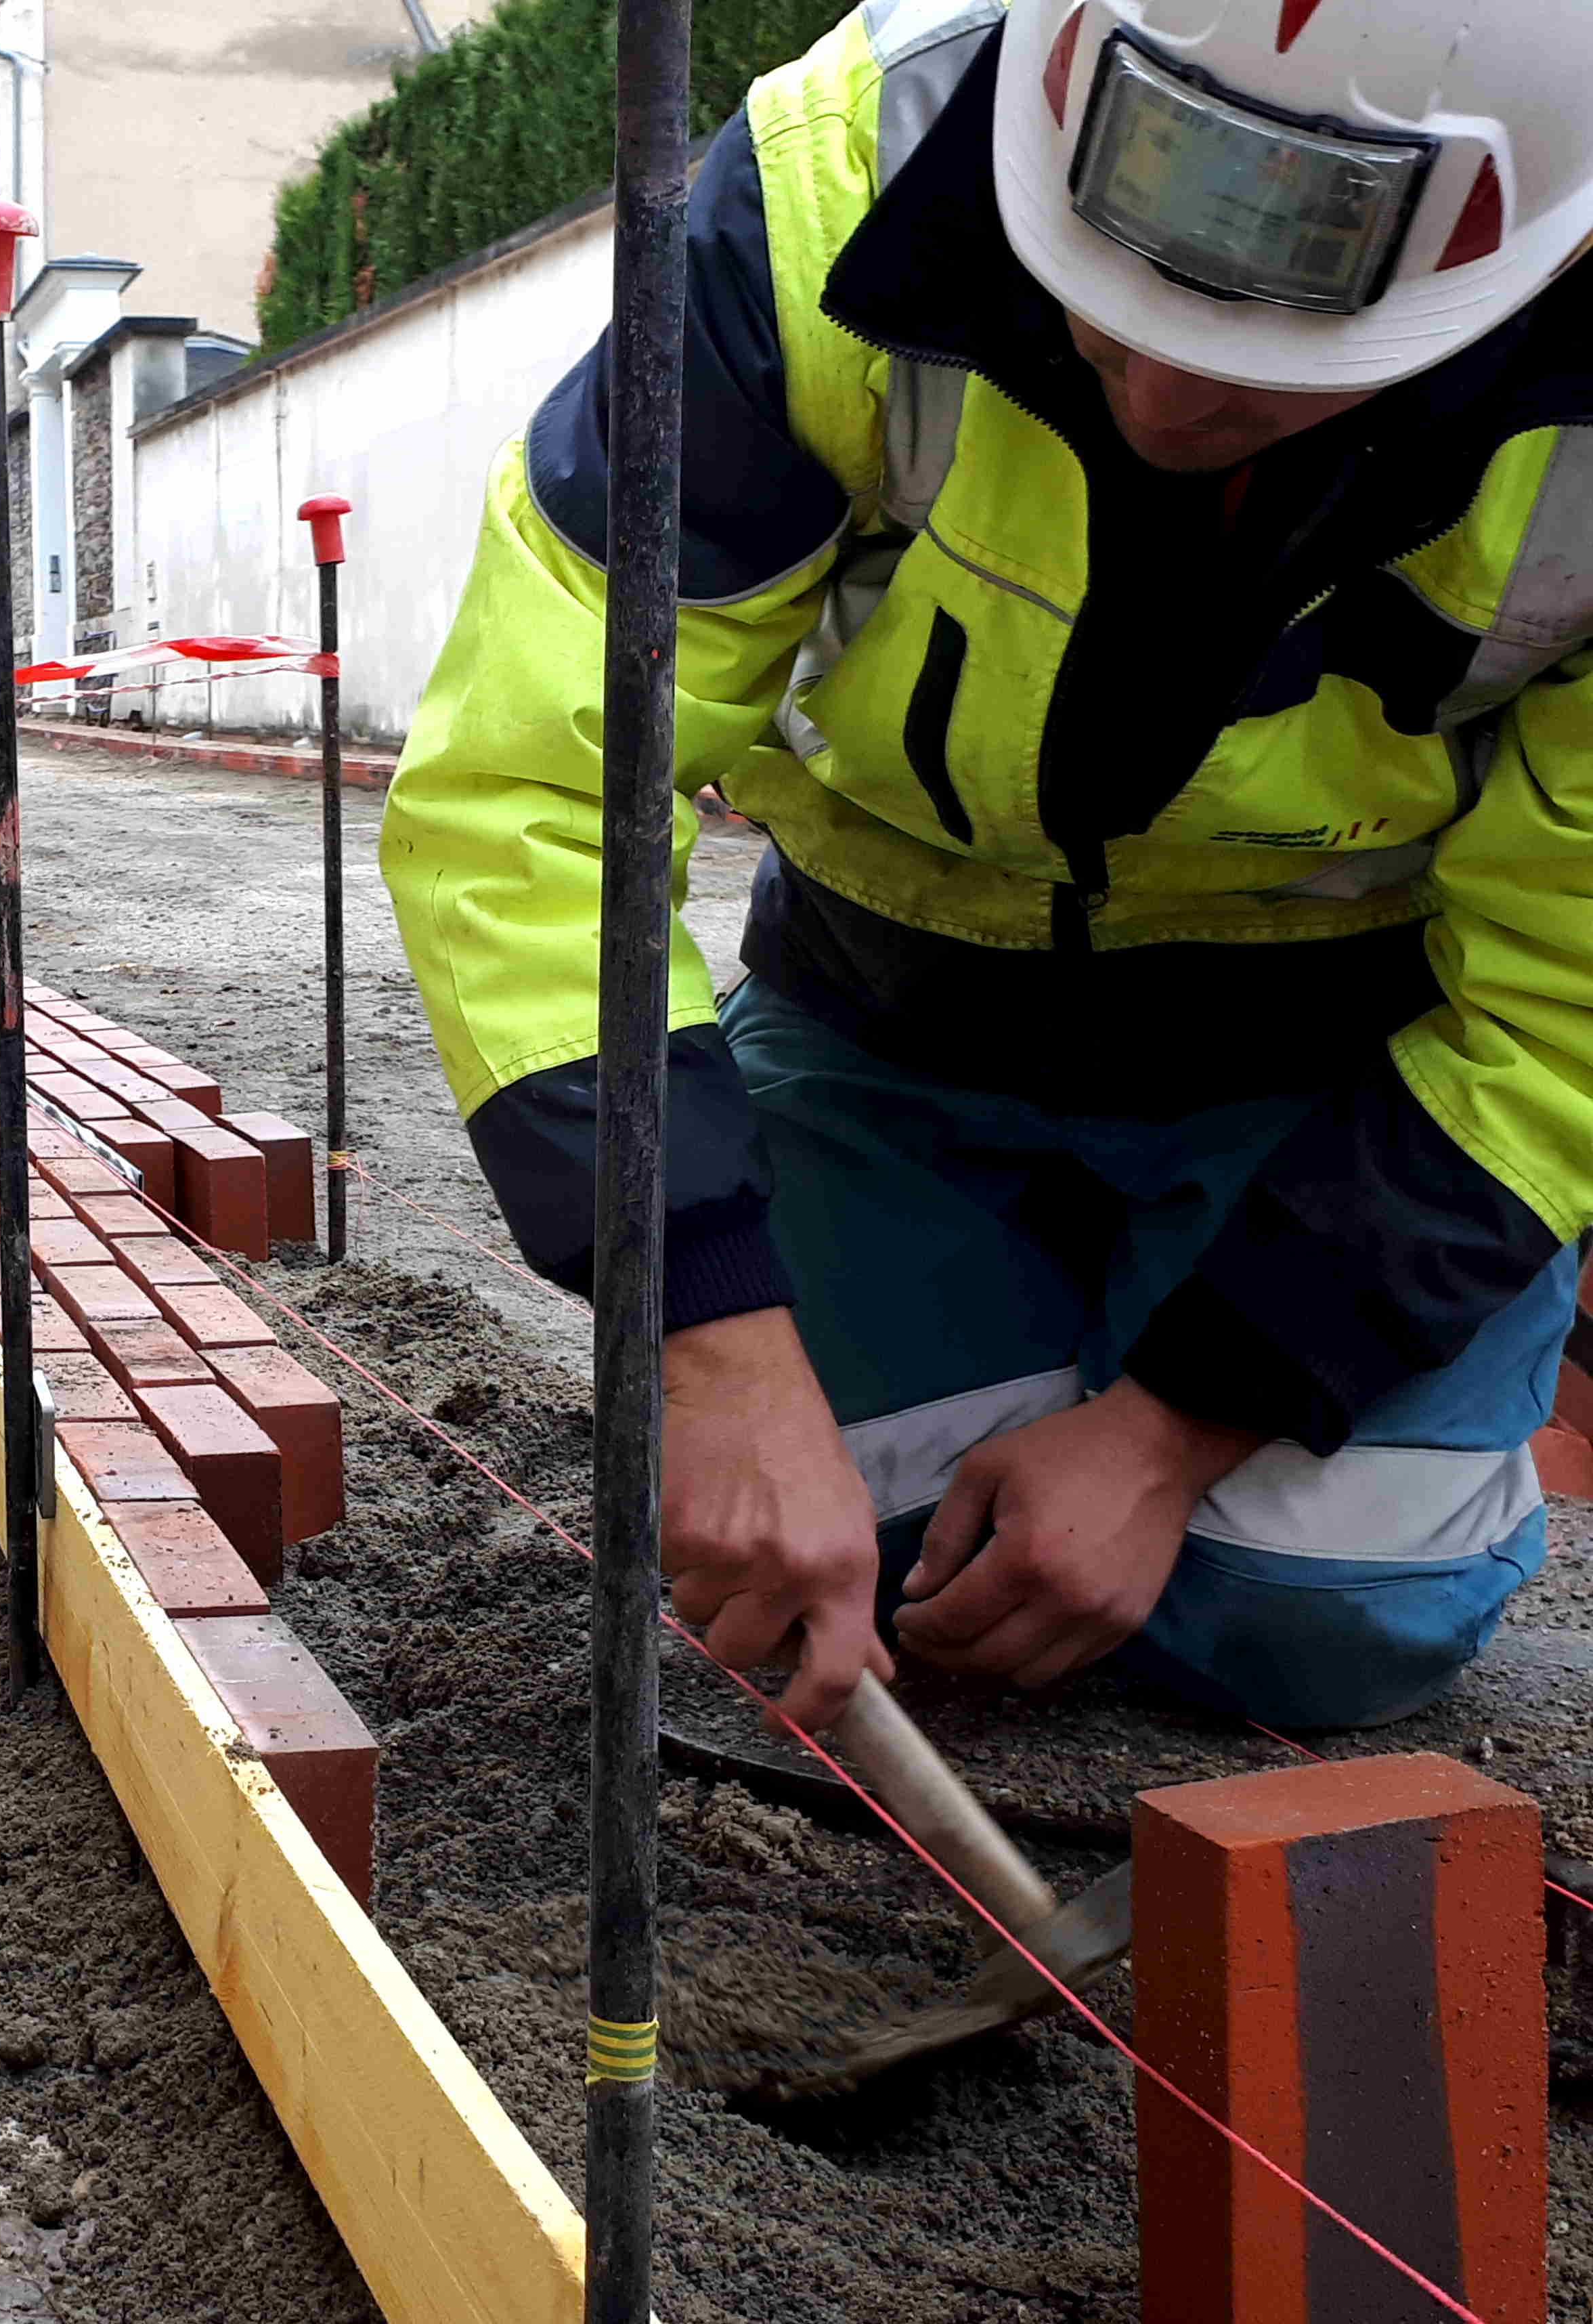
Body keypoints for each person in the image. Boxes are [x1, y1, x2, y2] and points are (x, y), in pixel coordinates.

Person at [380, 0, 1593, 1736]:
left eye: (1278, 355)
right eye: (1113, 289)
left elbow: (1570, 1011)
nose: (1166, 390)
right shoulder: (830, 189)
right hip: (895, 1035)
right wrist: (706, 1328)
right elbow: (532, 787)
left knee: (1334, 1610)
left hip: (1336, 1078)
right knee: (866, 1549)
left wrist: (1174, 1429)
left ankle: (1176, 1365)